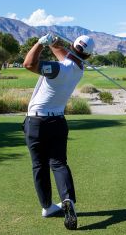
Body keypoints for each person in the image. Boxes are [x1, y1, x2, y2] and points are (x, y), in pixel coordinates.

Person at [22, 33, 94, 230]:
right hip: (58, 122)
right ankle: (67, 200)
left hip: (36, 121)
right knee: (59, 164)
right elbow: (67, 55)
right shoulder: (79, 69)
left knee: (39, 166)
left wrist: (39, 43)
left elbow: (28, 64)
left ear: (72, 46)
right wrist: (54, 43)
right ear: (88, 56)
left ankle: (47, 206)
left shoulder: (56, 68)